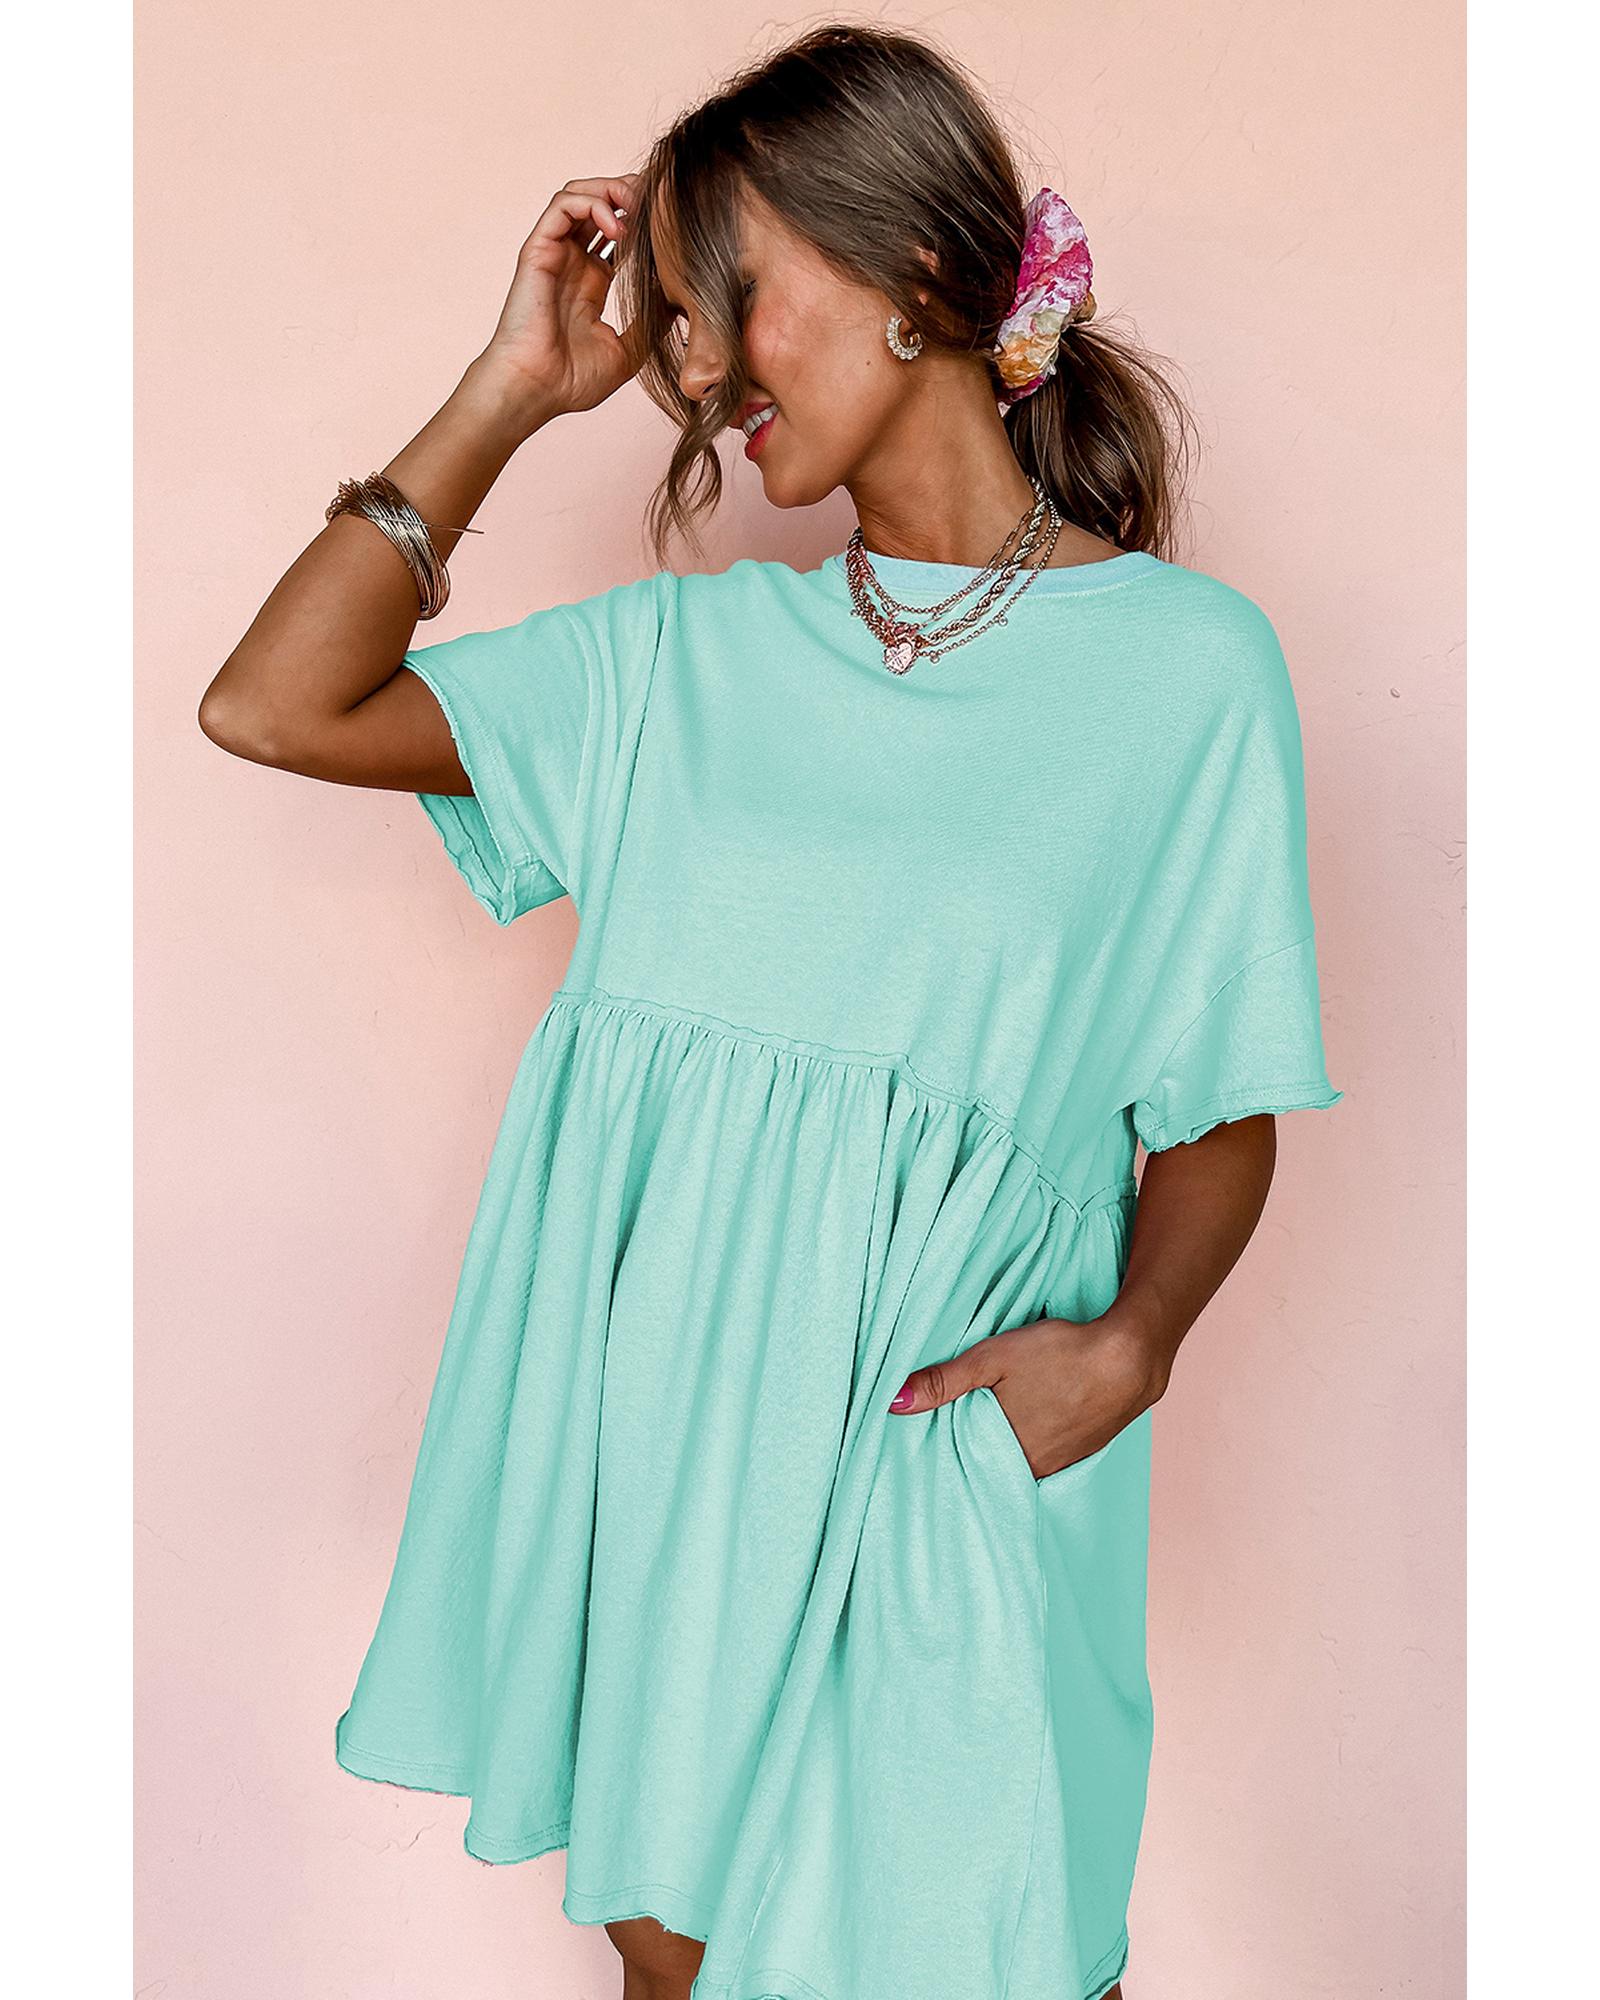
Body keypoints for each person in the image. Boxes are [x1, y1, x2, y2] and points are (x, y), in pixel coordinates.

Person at [199, 23, 1343, 2000]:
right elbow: (273, 704)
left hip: (940, 1467)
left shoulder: (1185, 677)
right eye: (677, 321)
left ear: (916, 274)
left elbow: (1216, 1100)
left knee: (990, 1955)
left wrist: (1135, 1342)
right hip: (666, 1479)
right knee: (685, 1973)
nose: (697, 370)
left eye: (727, 297)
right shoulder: (680, 665)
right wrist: (508, 390)